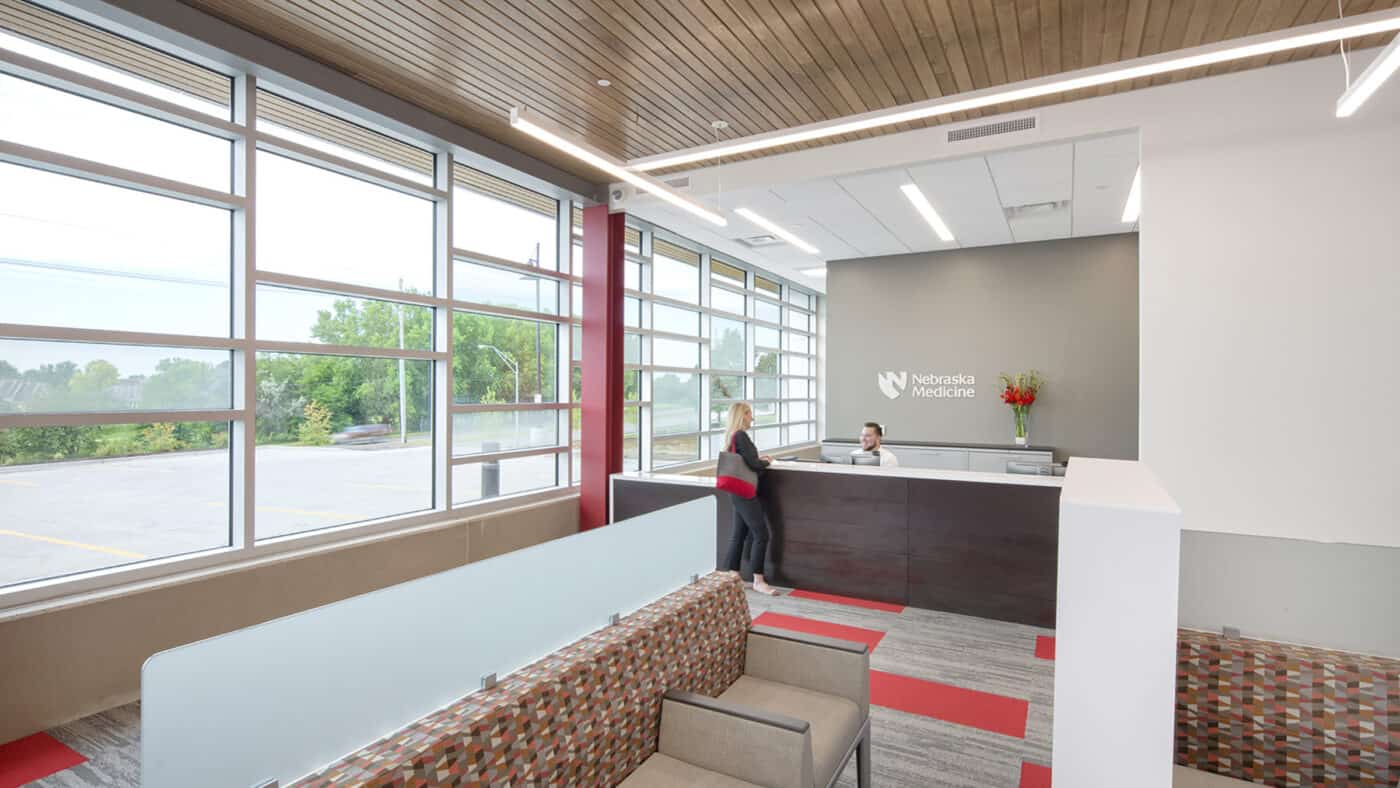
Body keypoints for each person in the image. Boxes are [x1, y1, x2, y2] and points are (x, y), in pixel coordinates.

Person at [720, 402, 779, 596]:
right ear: (742, 415)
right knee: (761, 534)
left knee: (739, 534)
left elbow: (745, 460)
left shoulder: (731, 436)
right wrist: (766, 461)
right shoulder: (741, 436)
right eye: (749, 414)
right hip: (745, 492)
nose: (752, 418)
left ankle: (732, 577)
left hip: (736, 491)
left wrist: (757, 460)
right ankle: (758, 580)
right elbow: (753, 464)